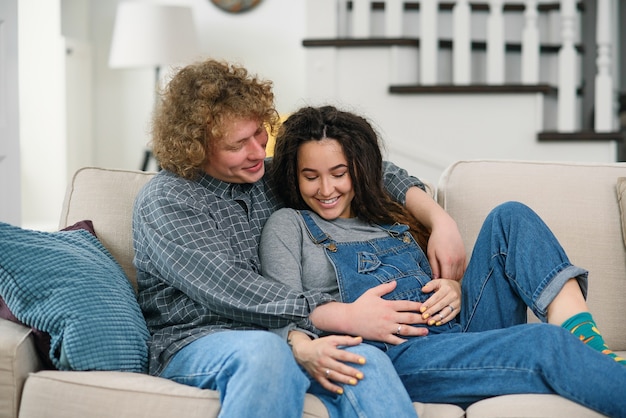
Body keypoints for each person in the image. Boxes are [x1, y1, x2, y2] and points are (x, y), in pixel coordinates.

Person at [132, 59, 468, 418]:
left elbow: (370, 170)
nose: (259, 151)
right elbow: (231, 288)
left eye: (259, 133)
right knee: (266, 352)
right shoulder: (168, 199)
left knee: (363, 358)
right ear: (195, 148)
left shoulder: (263, 176)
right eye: (238, 144)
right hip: (199, 341)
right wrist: (338, 316)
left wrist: (440, 220)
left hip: (287, 333)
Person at [259, 105, 626, 417]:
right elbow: (282, 311)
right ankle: (600, 370)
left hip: (459, 330)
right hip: (401, 354)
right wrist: (348, 316)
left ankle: (590, 344)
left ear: (359, 169)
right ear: (295, 175)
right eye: (311, 177)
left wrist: (454, 287)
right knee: (542, 343)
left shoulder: (386, 213)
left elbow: (430, 279)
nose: (326, 189)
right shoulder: (289, 226)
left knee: (510, 216)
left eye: (338, 174)